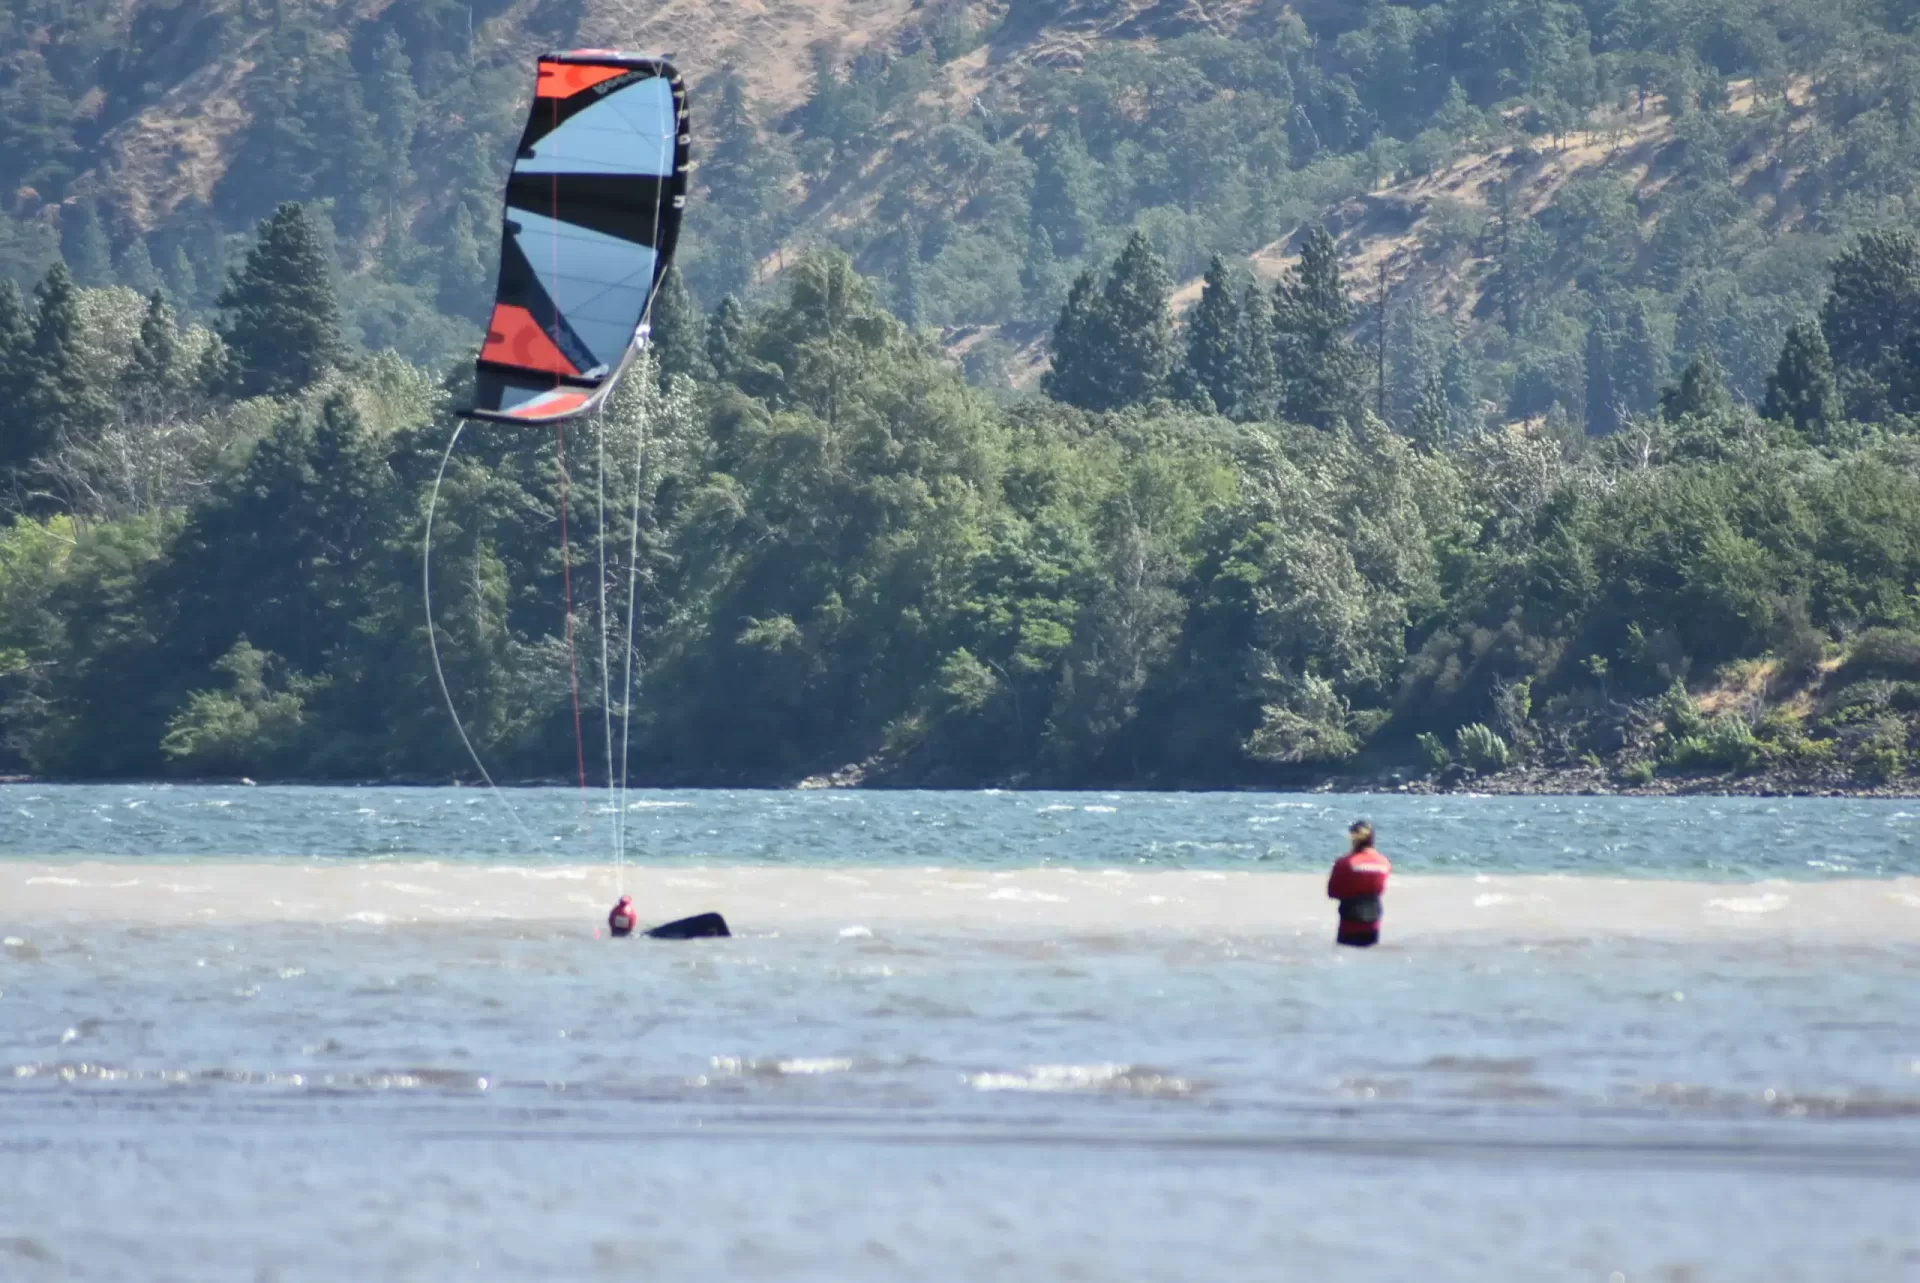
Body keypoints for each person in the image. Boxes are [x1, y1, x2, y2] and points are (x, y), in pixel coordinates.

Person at [1327, 819, 1390, 947]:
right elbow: (1380, 889)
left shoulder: (1344, 862)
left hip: (1350, 919)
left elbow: (1332, 892)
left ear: (1353, 839)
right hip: (1373, 919)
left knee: (1346, 957)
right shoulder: (1384, 863)